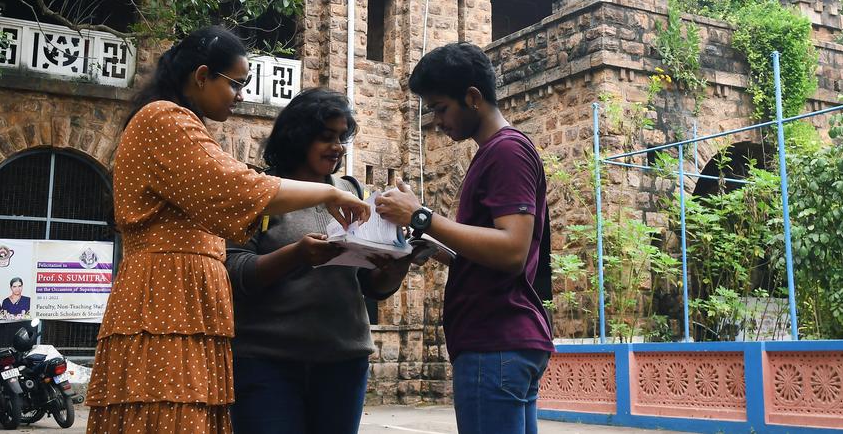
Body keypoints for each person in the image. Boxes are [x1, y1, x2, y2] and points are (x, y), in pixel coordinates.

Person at [84, 26, 370, 434]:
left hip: (186, 303)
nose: (241, 96)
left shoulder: (181, 124)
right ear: (202, 76)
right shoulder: (163, 119)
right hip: (167, 299)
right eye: (236, 84)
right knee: (167, 418)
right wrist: (327, 195)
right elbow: (238, 188)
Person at [375, 42, 554, 434]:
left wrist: (421, 215)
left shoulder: (507, 151)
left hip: (495, 340)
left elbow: (511, 251)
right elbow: (489, 252)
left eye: (441, 108)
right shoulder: (492, 152)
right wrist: (433, 246)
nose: (437, 121)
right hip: (502, 340)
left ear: (472, 98)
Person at [226, 88, 417, 434]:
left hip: (343, 363)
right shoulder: (260, 190)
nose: (338, 147)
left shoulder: (352, 193)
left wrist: (395, 268)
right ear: (298, 137)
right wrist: (297, 254)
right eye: (326, 137)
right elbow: (234, 271)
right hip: (267, 362)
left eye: (341, 138)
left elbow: (370, 287)